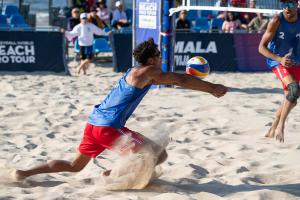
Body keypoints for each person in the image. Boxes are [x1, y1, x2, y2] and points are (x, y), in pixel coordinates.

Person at [14, 38, 227, 181]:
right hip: (109, 128)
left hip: (93, 123)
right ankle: (111, 176)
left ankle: (23, 173)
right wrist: (212, 88)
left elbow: (173, 78)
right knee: (158, 155)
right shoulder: (150, 71)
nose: (161, 61)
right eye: (160, 57)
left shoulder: (134, 72)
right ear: (152, 60)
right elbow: (180, 79)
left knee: (74, 165)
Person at [258, 0, 300, 143]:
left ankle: (272, 127)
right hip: (278, 60)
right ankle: (280, 127)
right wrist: (279, 59)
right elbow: (261, 47)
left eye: (289, 4)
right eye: (283, 5)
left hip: (295, 59)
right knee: (294, 89)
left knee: (292, 99)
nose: (286, 8)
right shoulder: (276, 20)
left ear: (297, 4)